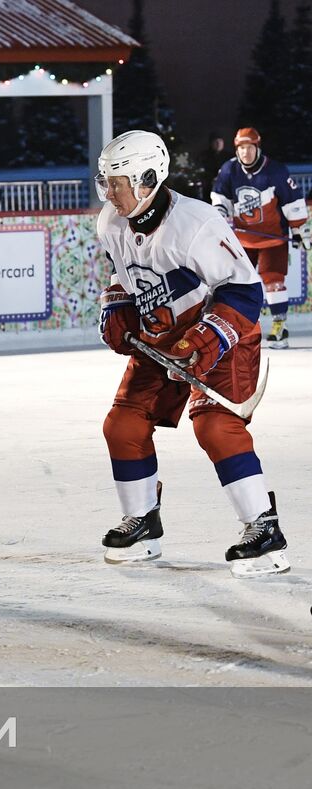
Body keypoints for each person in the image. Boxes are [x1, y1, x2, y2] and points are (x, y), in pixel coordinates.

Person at [94, 130, 287, 577]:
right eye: (105, 181)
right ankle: (143, 523)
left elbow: (243, 290)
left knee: (216, 427)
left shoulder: (197, 223)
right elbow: (125, 276)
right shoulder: (112, 220)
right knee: (122, 424)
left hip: (222, 336)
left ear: (146, 179)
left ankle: (264, 531)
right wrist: (119, 307)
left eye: (116, 181)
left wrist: (209, 337)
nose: (108, 192)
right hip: (162, 338)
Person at [210, 127, 310, 349]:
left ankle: (279, 328)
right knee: (236, 283)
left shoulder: (275, 171)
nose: (245, 152)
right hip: (242, 240)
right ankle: (237, 328)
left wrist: (299, 230)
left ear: (257, 147)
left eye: (249, 147)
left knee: (274, 282)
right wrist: (221, 212)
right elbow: (220, 196)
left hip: (273, 239)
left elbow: (292, 202)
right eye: (241, 148)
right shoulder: (229, 169)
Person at [197, 133, 227, 197]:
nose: (218, 144)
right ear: (211, 143)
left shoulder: (229, 157)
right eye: (216, 141)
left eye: (220, 141)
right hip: (208, 188)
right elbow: (200, 172)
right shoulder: (203, 156)